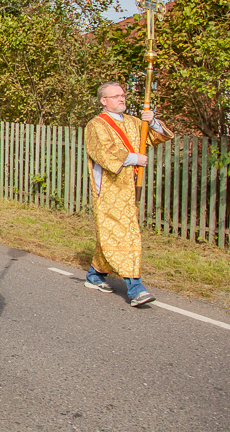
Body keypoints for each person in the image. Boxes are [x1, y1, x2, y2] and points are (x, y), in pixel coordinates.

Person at [84, 81, 173, 307]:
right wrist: (134, 158)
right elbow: (103, 152)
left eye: (123, 95)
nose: (122, 99)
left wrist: (151, 121)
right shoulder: (96, 125)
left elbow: (158, 136)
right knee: (126, 234)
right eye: (116, 96)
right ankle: (136, 288)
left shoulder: (134, 122)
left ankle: (95, 275)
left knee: (114, 233)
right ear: (104, 101)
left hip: (129, 187)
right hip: (109, 189)